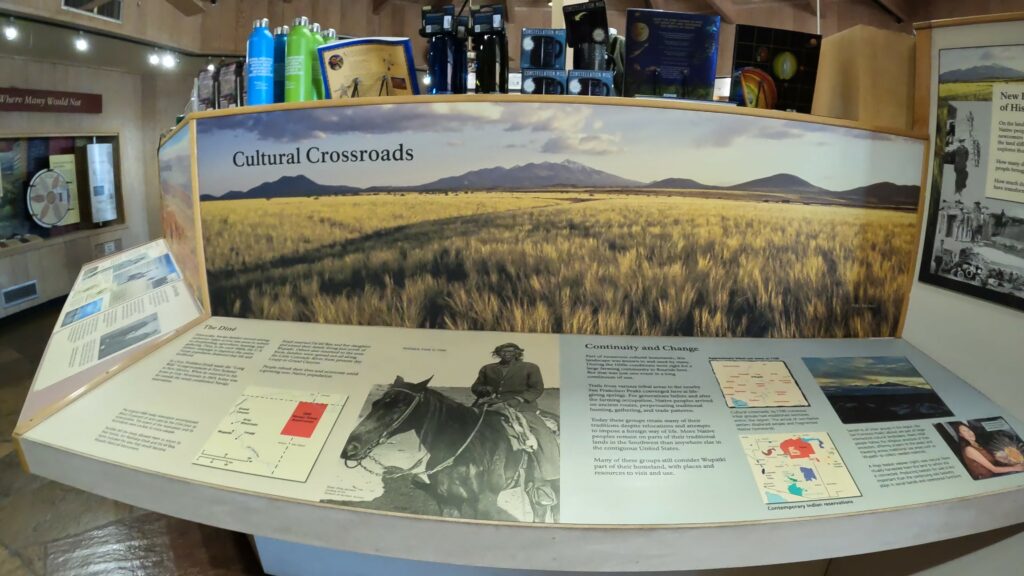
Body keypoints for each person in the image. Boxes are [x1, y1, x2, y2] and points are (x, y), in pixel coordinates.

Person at [471, 343, 560, 503]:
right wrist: (481, 389)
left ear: (518, 353)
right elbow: (476, 386)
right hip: (491, 405)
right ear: (497, 353)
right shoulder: (488, 368)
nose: (507, 354)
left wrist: (518, 399)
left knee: (542, 434)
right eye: (503, 352)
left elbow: (536, 389)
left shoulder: (530, 367)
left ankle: (544, 481)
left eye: (511, 352)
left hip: (522, 407)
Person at [956, 423, 1024, 480]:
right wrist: (1015, 468)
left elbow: (995, 459)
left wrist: (1013, 460)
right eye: (964, 431)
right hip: (987, 478)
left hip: (995, 474)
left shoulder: (979, 444)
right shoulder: (969, 449)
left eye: (969, 430)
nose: (969, 433)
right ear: (961, 435)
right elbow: (994, 469)